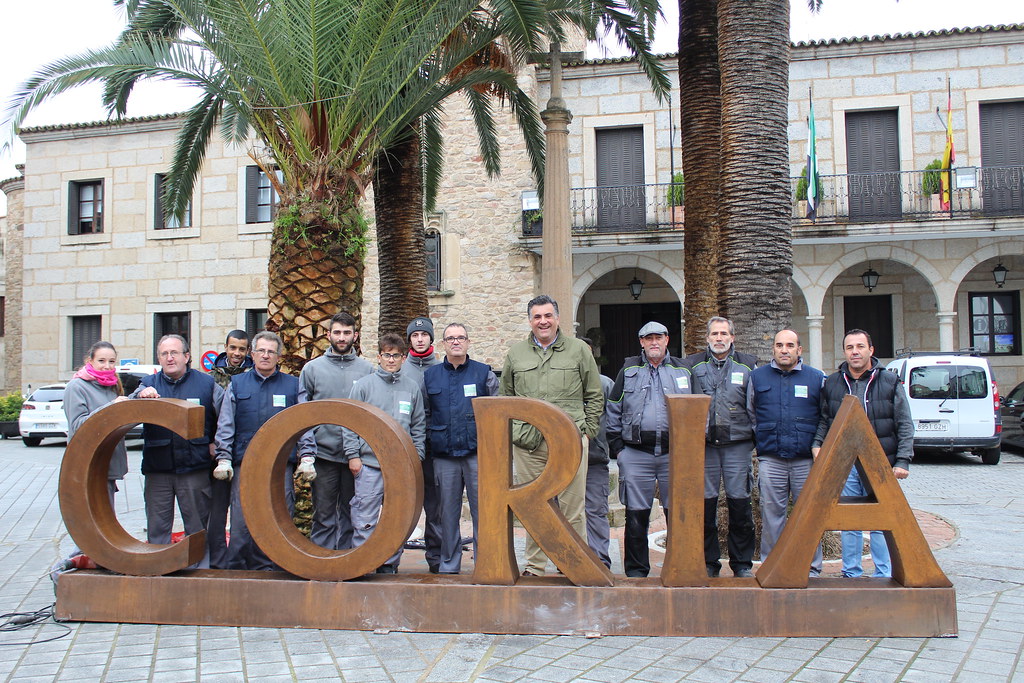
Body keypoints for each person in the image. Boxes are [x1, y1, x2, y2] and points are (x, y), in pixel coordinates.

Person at [499, 294, 604, 577]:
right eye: (537, 317)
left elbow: (594, 394)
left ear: (557, 318)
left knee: (573, 508)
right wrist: (516, 432)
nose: (543, 321)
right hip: (528, 445)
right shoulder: (516, 354)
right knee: (532, 507)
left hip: (570, 442)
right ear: (530, 321)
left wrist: (587, 432)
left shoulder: (578, 350)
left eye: (548, 316)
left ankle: (572, 565)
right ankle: (535, 566)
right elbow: (505, 398)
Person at [812, 328, 914, 578]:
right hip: (845, 464)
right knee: (850, 520)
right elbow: (825, 419)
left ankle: (883, 573)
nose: (855, 352)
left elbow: (904, 422)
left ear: (871, 350)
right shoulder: (832, 383)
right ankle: (851, 572)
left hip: (881, 463)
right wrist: (817, 444)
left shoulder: (889, 381)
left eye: (860, 347)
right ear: (844, 352)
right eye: (850, 347)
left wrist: (903, 460)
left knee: (881, 521)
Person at [213, 331, 315, 570]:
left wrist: (307, 455)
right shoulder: (238, 384)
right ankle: (237, 569)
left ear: (279, 356)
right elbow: (226, 423)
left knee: (278, 517)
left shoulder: (292, 386)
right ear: (253, 354)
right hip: (244, 464)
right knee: (241, 521)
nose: (266, 356)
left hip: (280, 466)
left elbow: (304, 422)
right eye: (261, 351)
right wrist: (223, 457)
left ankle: (275, 568)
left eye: (271, 352)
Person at [606, 322, 692, 577]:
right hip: (636, 453)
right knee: (636, 515)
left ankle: (679, 568)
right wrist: (619, 449)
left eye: (659, 337)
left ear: (667, 340)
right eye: (649, 338)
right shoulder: (628, 370)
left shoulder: (683, 370)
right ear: (641, 342)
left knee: (677, 514)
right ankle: (636, 571)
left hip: (673, 454)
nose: (654, 342)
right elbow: (613, 408)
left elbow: (699, 408)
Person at [131, 334, 223, 568]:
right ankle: (158, 572)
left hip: (194, 468)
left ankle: (199, 571)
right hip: (158, 469)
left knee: (197, 528)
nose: (169, 358)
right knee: (157, 527)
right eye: (164, 354)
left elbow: (225, 418)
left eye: (174, 353)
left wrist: (215, 442)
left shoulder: (207, 384)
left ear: (186, 356)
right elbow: (127, 408)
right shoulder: (148, 384)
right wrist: (140, 396)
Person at [345, 333, 426, 573]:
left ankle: (389, 565)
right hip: (369, 465)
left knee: (396, 519)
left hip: (401, 467)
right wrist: (353, 456)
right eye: (387, 355)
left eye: (396, 356)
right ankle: (363, 565)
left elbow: (418, 425)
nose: (391, 360)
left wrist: (417, 457)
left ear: (404, 358)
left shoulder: (411, 388)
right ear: (379, 356)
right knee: (365, 518)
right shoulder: (363, 386)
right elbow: (350, 422)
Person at [422, 323, 498, 573]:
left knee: (482, 511)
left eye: (460, 338)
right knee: (447, 514)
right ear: (443, 344)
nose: (456, 342)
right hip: (444, 456)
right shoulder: (430, 376)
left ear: (468, 342)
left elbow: (495, 413)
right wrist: (432, 441)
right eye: (450, 338)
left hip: (476, 454)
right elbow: (425, 413)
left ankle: (485, 563)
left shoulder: (483, 373)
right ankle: (449, 564)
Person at [685, 316, 757, 578]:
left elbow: (755, 405)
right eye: (714, 334)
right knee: (706, 506)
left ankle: (742, 564)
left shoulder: (748, 365)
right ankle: (708, 562)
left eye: (724, 333)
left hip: (737, 445)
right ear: (707, 338)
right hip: (705, 447)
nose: (719, 338)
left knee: (740, 505)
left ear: (732, 337)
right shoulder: (693, 365)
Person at [750, 329, 825, 577]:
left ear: (799, 350)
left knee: (808, 515)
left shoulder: (816, 378)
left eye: (790, 345)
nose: (784, 350)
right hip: (771, 460)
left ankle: (810, 568)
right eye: (780, 345)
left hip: (805, 461)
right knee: (772, 515)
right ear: (773, 349)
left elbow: (824, 416)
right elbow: (751, 413)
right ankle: (772, 567)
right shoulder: (757, 377)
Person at [299, 312, 372, 550]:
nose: (342, 338)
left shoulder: (367, 370)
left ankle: (347, 562)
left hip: (356, 458)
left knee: (352, 515)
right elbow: (303, 413)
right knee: (323, 515)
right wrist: (307, 452)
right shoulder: (312, 369)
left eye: (347, 333)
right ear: (328, 334)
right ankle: (322, 562)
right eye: (337, 332)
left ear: (355, 335)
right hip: (323, 455)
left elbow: (371, 414)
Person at [63, 341, 130, 508]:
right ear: (90, 361)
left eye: (111, 361)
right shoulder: (76, 386)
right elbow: (78, 426)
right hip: (88, 466)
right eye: (101, 361)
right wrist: (111, 408)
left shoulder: (113, 385)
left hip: (107, 465)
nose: (107, 366)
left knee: (105, 517)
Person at [401, 316, 443, 572]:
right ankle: (390, 559)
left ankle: (436, 558)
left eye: (424, 335)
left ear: (431, 338)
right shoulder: (400, 369)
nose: (419, 339)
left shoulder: (440, 368)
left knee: (436, 506)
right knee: (403, 503)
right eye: (415, 336)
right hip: (407, 446)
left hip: (434, 446)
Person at [207, 330, 252, 568]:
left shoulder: (252, 375)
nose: (237, 353)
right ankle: (217, 561)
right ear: (226, 347)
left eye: (242, 349)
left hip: (243, 453)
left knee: (241, 512)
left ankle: (240, 559)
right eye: (233, 348)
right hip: (215, 454)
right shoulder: (211, 378)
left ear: (248, 351)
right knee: (216, 511)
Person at [579, 336, 615, 570]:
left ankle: (600, 560)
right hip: (565, 461)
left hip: (595, 459)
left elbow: (614, 417)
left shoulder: (605, 384)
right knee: (568, 512)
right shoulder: (561, 384)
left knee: (596, 510)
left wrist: (608, 446)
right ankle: (569, 559)